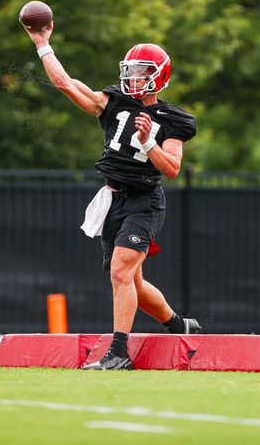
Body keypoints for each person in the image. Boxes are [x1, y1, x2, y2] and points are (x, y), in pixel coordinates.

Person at [24, 21, 201, 371]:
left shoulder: (173, 119)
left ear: (159, 76)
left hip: (144, 200)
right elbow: (65, 83)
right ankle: (178, 325)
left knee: (120, 272)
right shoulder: (113, 102)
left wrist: (149, 142)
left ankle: (118, 352)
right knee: (131, 279)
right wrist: (43, 44)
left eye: (141, 72)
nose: (133, 78)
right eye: (130, 71)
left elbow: (172, 168)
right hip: (113, 199)